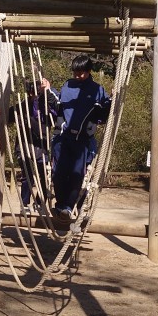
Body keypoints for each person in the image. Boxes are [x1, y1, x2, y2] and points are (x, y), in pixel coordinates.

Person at [52, 55, 111, 219]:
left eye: (81, 73)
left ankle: (69, 207)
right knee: (58, 173)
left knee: (77, 174)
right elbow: (56, 105)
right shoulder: (67, 86)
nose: (77, 76)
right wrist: (47, 90)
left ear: (89, 71)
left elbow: (104, 114)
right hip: (63, 138)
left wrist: (112, 100)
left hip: (83, 140)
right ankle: (60, 205)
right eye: (75, 73)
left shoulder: (97, 90)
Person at [0, 78, 58, 210]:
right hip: (23, 147)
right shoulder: (22, 107)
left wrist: (47, 92)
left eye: (37, 93)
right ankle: (25, 203)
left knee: (45, 176)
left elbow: (57, 114)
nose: (34, 96)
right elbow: (5, 115)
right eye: (32, 93)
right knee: (27, 175)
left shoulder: (47, 107)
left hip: (41, 148)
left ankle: (40, 203)